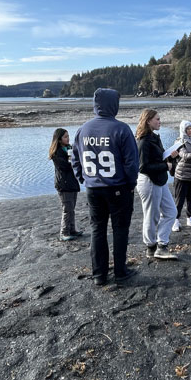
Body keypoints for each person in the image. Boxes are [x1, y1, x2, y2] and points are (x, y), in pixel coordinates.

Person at [72, 88, 139, 286]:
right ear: (113, 105)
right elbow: (131, 163)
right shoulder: (121, 129)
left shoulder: (82, 130)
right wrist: (130, 184)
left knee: (97, 230)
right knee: (120, 230)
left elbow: (75, 159)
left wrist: (83, 179)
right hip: (118, 188)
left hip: (94, 188)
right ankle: (120, 271)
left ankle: (99, 275)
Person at [136, 108, 178, 259]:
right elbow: (142, 167)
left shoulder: (155, 137)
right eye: (157, 119)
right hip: (149, 182)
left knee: (171, 212)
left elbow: (159, 156)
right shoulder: (143, 140)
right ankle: (151, 247)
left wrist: (171, 156)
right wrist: (165, 166)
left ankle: (161, 245)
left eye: (160, 119)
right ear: (148, 121)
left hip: (160, 180)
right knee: (151, 216)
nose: (160, 121)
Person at [49, 128, 82, 241]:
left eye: (68, 136)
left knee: (72, 208)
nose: (68, 138)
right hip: (63, 184)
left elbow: (76, 163)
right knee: (67, 208)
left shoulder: (70, 148)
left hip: (72, 182)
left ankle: (72, 229)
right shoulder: (56, 152)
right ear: (59, 139)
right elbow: (64, 166)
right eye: (65, 137)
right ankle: (64, 232)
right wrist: (72, 160)